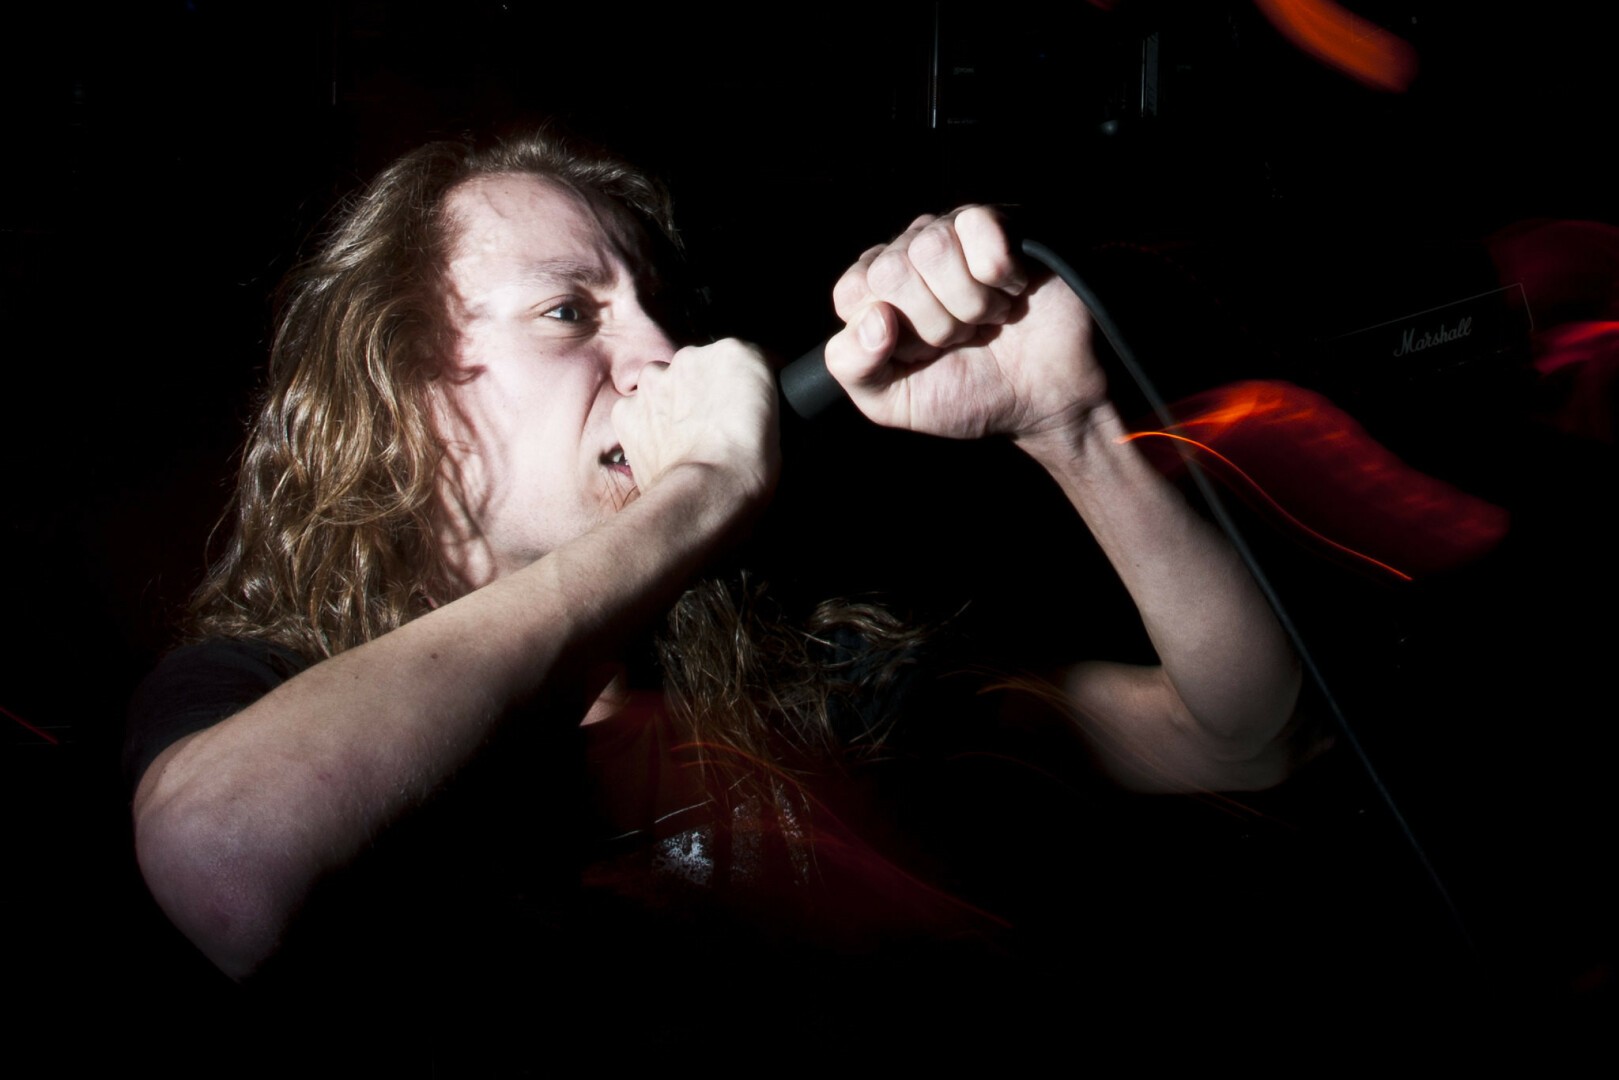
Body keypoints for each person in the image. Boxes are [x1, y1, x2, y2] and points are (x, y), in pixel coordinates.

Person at [127, 130, 1301, 990]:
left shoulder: (803, 686)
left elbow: (1242, 737)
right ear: (403, 395)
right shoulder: (260, 692)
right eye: (569, 313)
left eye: (655, 306)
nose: (663, 350)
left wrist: (1073, 429)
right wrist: (701, 487)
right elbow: (230, 862)